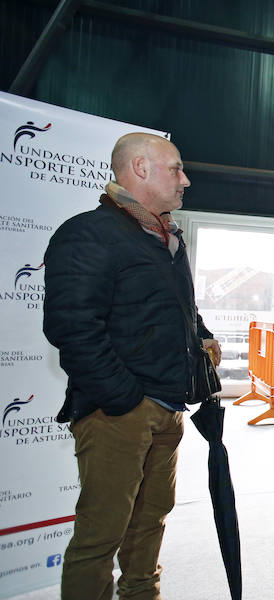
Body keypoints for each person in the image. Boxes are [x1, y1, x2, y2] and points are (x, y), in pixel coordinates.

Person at [43, 132, 220, 600]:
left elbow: (179, 308)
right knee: (100, 537)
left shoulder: (166, 235)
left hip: (168, 407)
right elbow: (73, 329)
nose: (185, 180)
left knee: (149, 526)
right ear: (140, 169)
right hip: (117, 413)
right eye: (175, 168)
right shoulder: (88, 232)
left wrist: (200, 336)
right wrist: (125, 400)